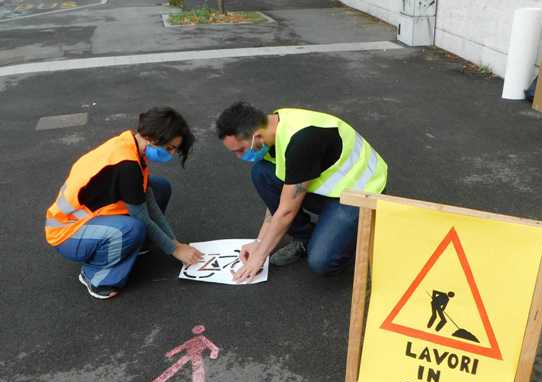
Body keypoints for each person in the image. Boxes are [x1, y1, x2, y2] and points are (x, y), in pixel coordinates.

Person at [215, 102, 388, 282]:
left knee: (321, 261)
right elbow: (281, 198)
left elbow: (287, 210)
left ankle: (348, 244)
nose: (239, 157)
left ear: (256, 136)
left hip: (361, 193)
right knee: (262, 173)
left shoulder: (301, 141)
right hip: (329, 185)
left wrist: (258, 258)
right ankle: (306, 239)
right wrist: (259, 243)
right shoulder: (270, 128)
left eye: (240, 150)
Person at [44, 107, 203, 299]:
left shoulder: (132, 145)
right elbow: (142, 217)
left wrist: (175, 243)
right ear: (151, 137)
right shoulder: (126, 165)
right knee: (132, 228)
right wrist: (174, 249)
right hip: (67, 233)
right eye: (169, 148)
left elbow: (149, 202)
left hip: (89, 219)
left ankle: (135, 244)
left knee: (160, 187)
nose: (170, 154)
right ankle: (95, 276)